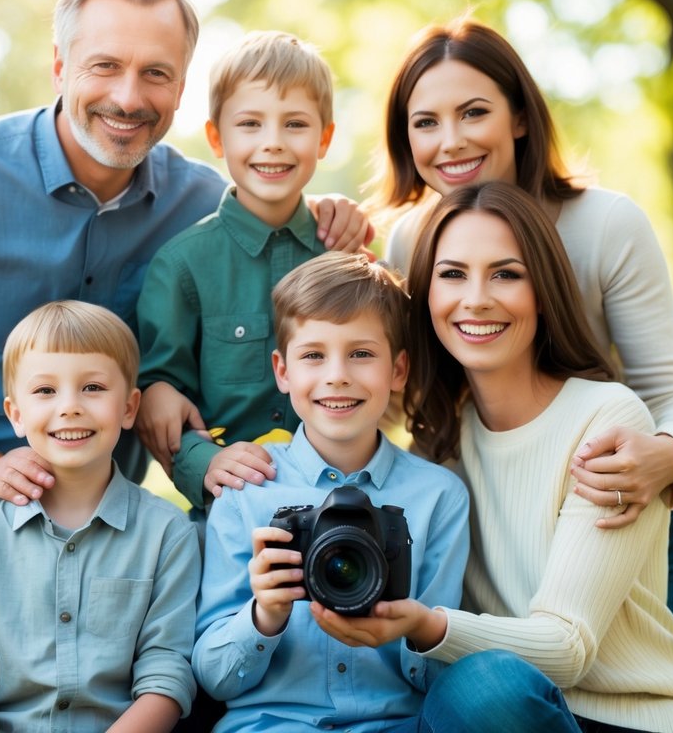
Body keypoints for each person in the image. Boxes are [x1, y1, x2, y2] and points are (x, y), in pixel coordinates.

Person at [0, 0, 370, 732]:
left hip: (122, 543)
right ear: (59, 65)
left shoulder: (201, 206)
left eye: (156, 74)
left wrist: (325, 216)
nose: (128, 97)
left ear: (181, 87)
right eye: (104, 66)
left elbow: (278, 229)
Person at [372, 16, 673, 726]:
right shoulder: (413, 238)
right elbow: (387, 373)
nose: (451, 140)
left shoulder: (603, 224)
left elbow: (669, 391)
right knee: (482, 691)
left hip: (621, 486)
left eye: (473, 111)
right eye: (426, 122)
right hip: (489, 485)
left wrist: (660, 458)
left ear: (517, 116)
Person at [316, 183, 673, 732]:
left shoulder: (606, 420)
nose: (477, 298)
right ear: (428, 296)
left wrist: (426, 626)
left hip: (633, 719)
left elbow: (567, 648)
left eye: (506, 274)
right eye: (453, 274)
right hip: (515, 713)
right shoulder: (439, 442)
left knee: (479, 690)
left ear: (543, 290)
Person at [193, 251, 471, 732]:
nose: (337, 374)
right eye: (313, 355)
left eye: (361, 354)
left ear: (397, 370)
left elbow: (443, 681)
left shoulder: (438, 497)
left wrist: (416, 627)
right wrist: (264, 614)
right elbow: (214, 678)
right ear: (283, 371)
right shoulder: (246, 491)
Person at [0, 300, 198, 731]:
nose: (70, 406)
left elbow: (166, 674)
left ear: (129, 408)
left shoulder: (167, 533)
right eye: (45, 391)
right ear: (15, 414)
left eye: (93, 387)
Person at [135, 30, 338, 511]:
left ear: (325, 138)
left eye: (295, 124)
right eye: (250, 124)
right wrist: (203, 462)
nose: (273, 144)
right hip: (232, 510)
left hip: (340, 506)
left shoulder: (344, 260)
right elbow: (159, 398)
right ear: (216, 138)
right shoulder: (182, 265)